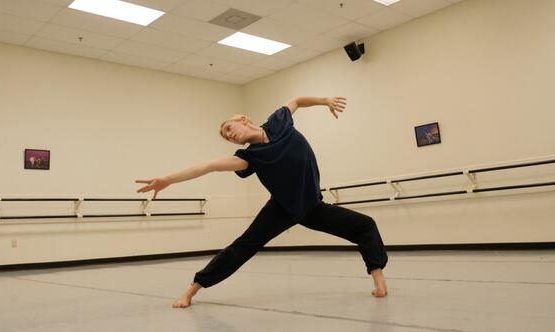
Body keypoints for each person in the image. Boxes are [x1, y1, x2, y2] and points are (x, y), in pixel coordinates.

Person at [135, 96, 388, 309]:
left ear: (243, 119)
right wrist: (167, 180)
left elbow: (297, 100)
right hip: (281, 208)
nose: (229, 136)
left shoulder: (278, 121)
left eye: (229, 129)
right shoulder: (249, 157)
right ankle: (192, 289)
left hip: (312, 206)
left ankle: (378, 281)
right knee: (243, 246)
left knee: (365, 225)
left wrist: (325, 101)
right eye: (226, 137)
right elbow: (209, 166)